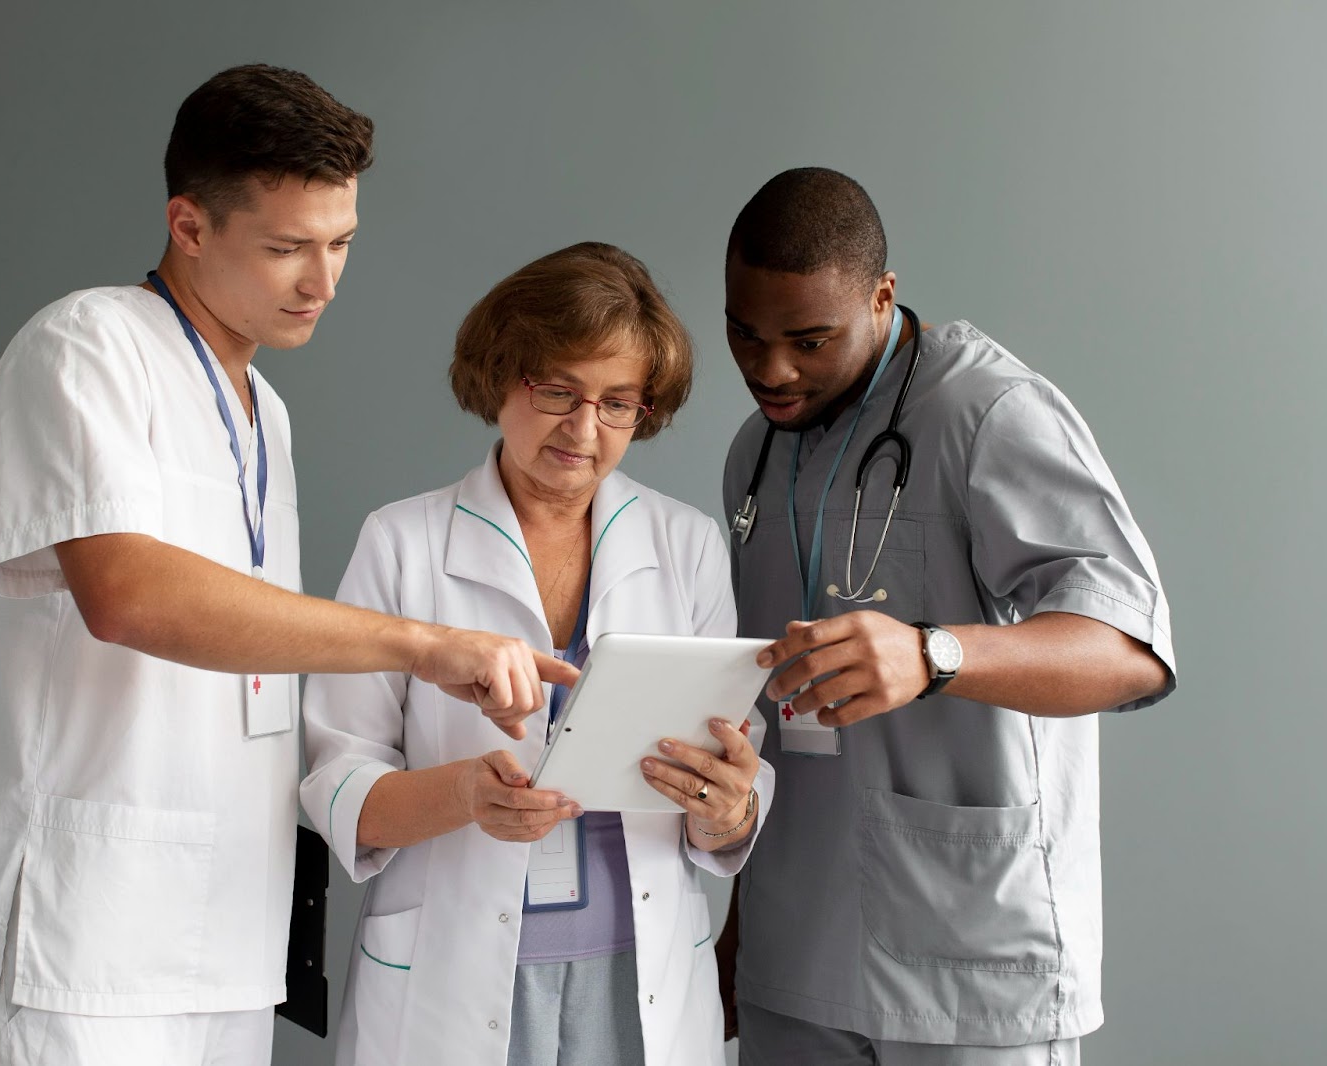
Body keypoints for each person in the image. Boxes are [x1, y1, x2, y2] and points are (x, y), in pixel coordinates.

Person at [0, 64, 574, 1066]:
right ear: (189, 225)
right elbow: (128, 594)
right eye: (287, 247)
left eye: (342, 243)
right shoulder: (84, 346)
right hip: (78, 927)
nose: (324, 282)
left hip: (227, 928)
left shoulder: (267, 414)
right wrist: (421, 645)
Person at [713, 169, 1177, 1065]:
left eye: (809, 340)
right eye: (745, 333)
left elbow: (1131, 651)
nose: (771, 370)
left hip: (971, 962)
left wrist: (935, 655)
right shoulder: (756, 452)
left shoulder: (987, 412)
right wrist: (740, 936)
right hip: (793, 959)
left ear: (882, 297)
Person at [301, 242, 775, 1066]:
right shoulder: (402, 543)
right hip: (449, 978)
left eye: (617, 403)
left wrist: (727, 807)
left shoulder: (688, 544)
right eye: (557, 390)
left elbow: (735, 768)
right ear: (501, 375)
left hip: (639, 978)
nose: (584, 429)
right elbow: (337, 785)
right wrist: (464, 796)